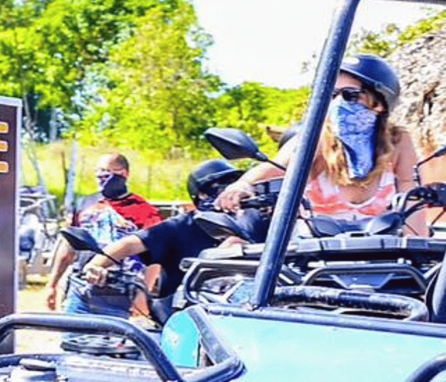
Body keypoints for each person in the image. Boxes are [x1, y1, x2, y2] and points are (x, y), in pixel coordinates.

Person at [215, 54, 426, 235]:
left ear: (379, 103)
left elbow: (413, 199)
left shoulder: (398, 141)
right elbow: (275, 168)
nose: (338, 104)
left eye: (349, 95)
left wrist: (418, 253)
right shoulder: (315, 138)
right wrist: (242, 184)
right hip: (315, 264)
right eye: (331, 95)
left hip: (381, 261)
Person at [82, 159, 247, 304]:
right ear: (202, 195)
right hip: (185, 312)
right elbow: (129, 244)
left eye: (234, 184)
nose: (230, 192)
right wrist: (96, 265)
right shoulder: (182, 226)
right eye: (224, 185)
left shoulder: (253, 224)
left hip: (240, 313)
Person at [46, 153, 163, 315]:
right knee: (72, 338)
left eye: (108, 172)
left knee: (112, 339)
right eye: (99, 172)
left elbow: (156, 255)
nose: (102, 177)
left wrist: (144, 292)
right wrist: (52, 284)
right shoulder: (85, 204)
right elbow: (68, 248)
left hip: (119, 291)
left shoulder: (144, 210)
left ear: (124, 174)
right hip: (81, 285)